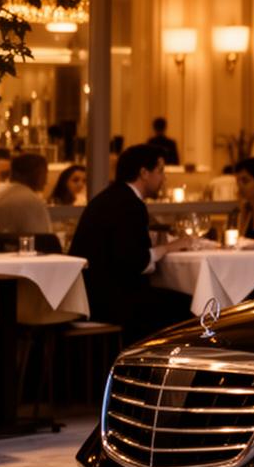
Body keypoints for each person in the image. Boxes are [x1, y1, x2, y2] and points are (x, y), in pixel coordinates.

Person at [69, 144, 194, 341]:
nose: (164, 178)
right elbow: (137, 262)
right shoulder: (130, 204)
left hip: (89, 295)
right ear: (144, 173)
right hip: (111, 301)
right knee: (193, 306)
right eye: (160, 171)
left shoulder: (110, 197)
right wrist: (169, 247)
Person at [0, 154, 53, 236]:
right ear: (37, 174)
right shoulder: (31, 201)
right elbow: (42, 239)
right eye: (45, 174)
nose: (46, 181)